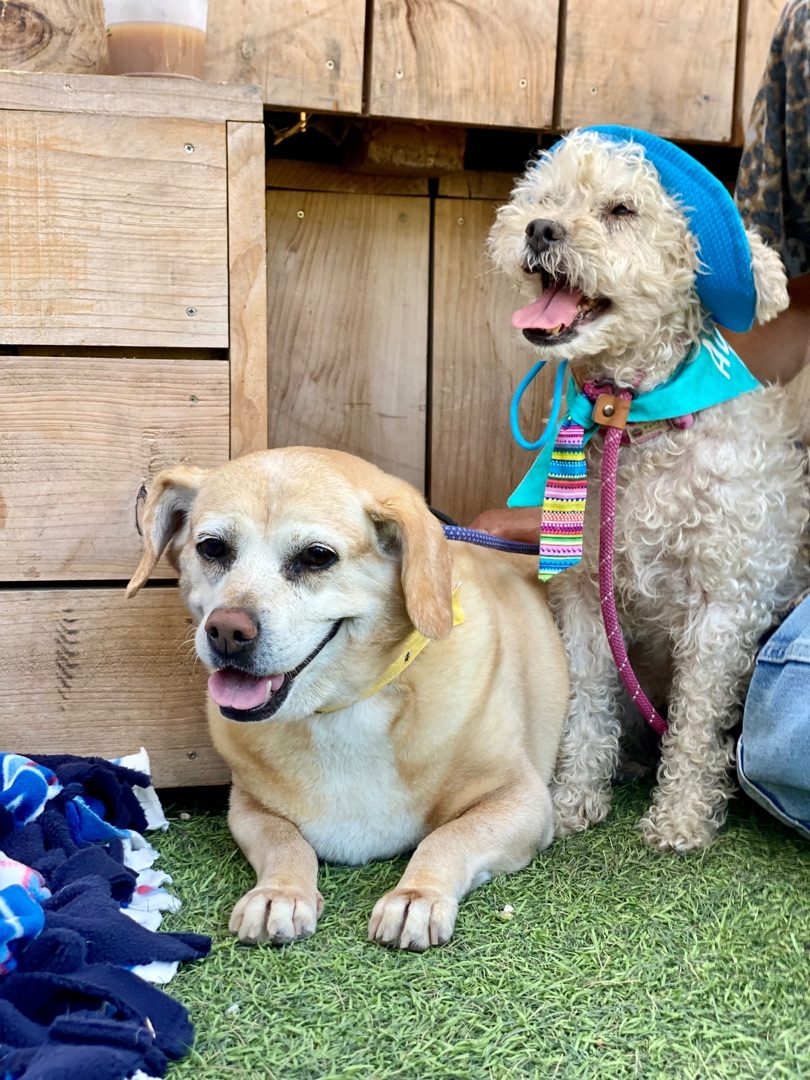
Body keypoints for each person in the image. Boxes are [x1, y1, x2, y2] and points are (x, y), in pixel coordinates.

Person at [471, 0, 810, 838]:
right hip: (622, 671)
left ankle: (690, 791)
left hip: (727, 678)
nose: (554, 226)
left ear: (685, 263)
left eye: (617, 215)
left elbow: (721, 617)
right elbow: (580, 594)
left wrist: (687, 785)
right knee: (574, 596)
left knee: (716, 619)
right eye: (548, 205)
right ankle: (582, 776)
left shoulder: (728, 432)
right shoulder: (578, 428)